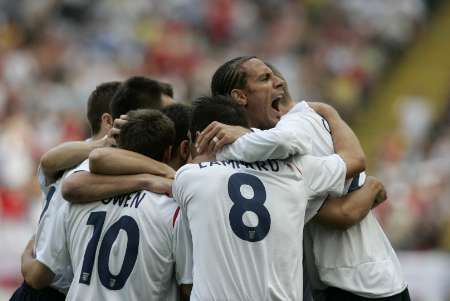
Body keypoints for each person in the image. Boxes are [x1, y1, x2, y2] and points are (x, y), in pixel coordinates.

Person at [202, 58, 409, 300]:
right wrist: (371, 186)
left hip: (357, 284)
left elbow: (344, 207)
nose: (280, 82)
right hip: (363, 278)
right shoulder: (285, 133)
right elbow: (347, 206)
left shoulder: (292, 129)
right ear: (240, 96)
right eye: (265, 78)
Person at [172, 95, 384, 300]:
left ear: (196, 137)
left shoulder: (188, 177)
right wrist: (331, 114)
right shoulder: (295, 168)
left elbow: (187, 287)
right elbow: (355, 159)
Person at [20, 109, 193, 300]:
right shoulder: (173, 208)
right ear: (169, 152)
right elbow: (187, 289)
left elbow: (40, 274)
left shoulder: (80, 199)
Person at [11, 81, 121, 301]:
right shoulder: (81, 169)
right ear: (109, 121)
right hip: (50, 290)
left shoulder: (76, 154)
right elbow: (40, 275)